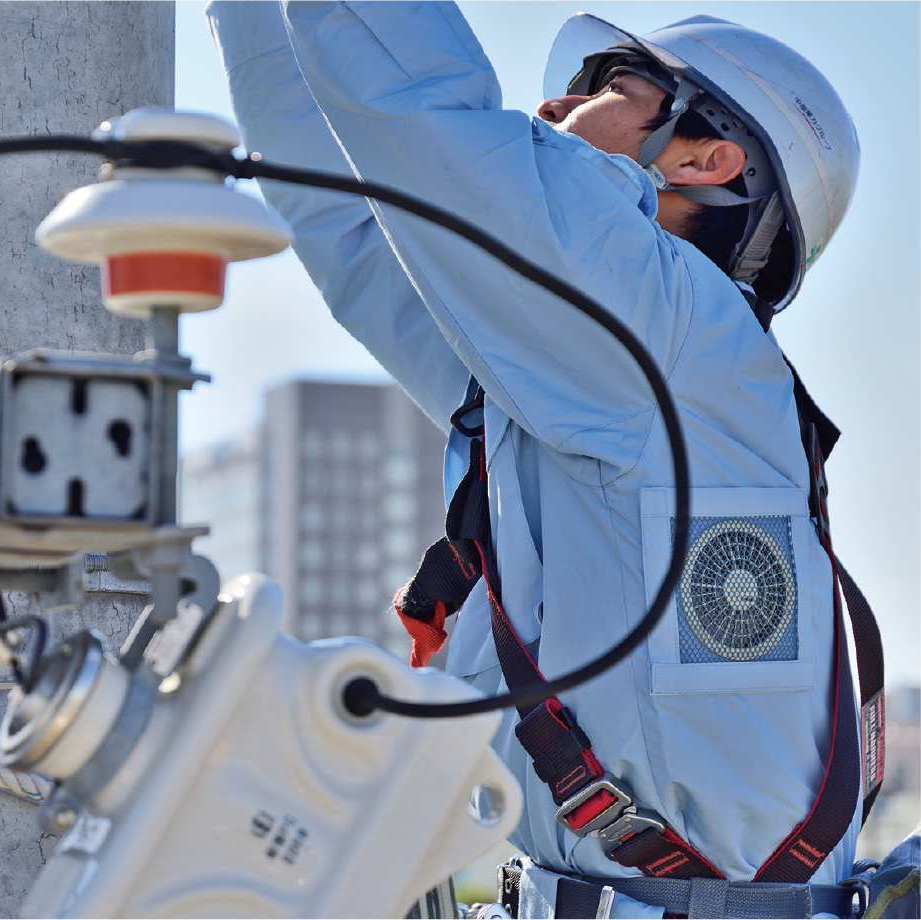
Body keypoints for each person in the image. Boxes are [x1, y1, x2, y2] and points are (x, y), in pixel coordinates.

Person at [207, 3, 871, 918]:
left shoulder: (660, 329)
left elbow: (422, 119)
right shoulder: (613, 367)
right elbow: (362, 213)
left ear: (704, 158)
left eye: (608, 86)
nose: (558, 103)